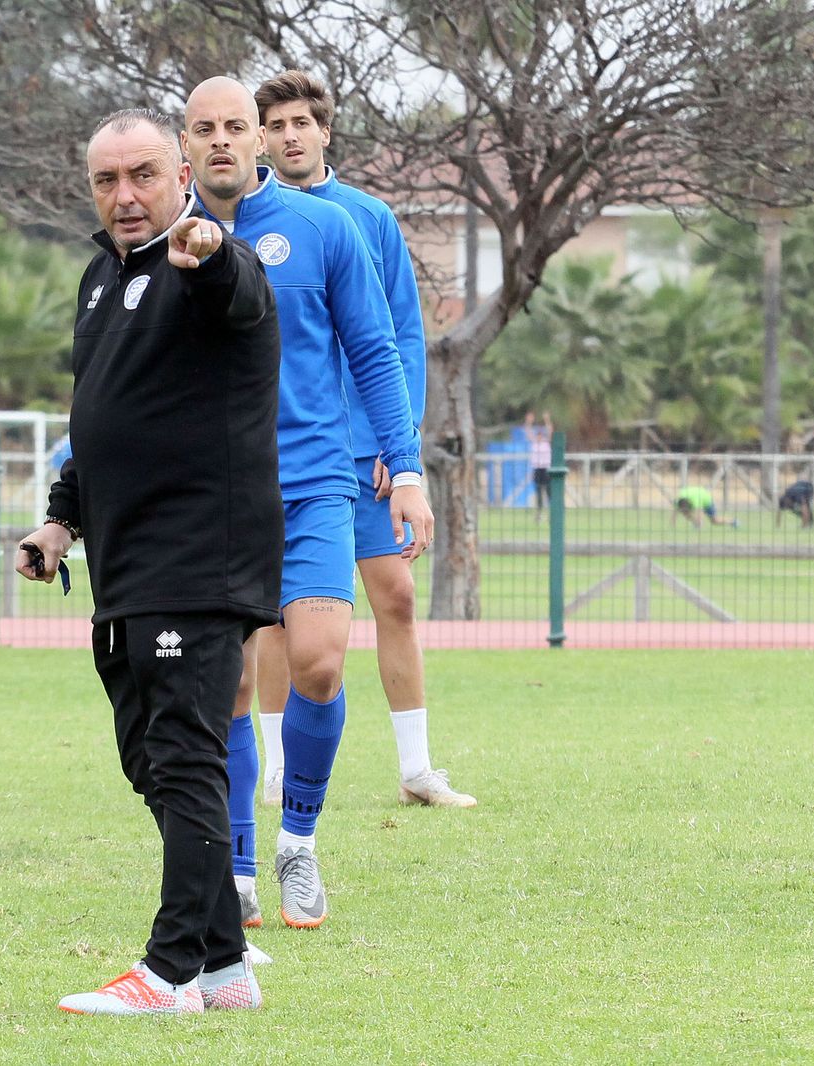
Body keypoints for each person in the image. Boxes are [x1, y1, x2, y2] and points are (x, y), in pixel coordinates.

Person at [17, 107, 281, 1016]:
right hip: (125, 563)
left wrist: (205, 248)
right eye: (106, 180)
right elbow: (101, 416)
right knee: (152, 763)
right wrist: (61, 523)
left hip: (200, 555)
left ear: (179, 174)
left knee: (184, 755)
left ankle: (167, 974)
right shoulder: (100, 277)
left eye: (142, 176)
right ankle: (224, 965)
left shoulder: (211, 261)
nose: (125, 197)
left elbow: (234, 291)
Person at [182, 76, 435, 931]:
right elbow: (118, 377)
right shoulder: (167, 241)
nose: (222, 140)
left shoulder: (325, 228)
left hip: (318, 484)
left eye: (235, 127)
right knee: (231, 688)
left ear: (260, 140)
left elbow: (376, 351)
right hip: (216, 496)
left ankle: (299, 840)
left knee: (320, 662)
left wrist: (406, 467)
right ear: (184, 147)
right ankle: (243, 868)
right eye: (203, 128)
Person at [244, 69, 476, 838]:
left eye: (302, 122)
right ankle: (278, 767)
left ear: (325, 131)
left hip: (366, 455)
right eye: (275, 125)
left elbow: (397, 337)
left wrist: (395, 443)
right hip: (285, 457)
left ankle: (416, 768)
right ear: (261, 137)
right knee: (281, 620)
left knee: (396, 601)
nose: (289, 135)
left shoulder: (366, 219)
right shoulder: (242, 220)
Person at [525, 411, 553, 520]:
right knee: (538, 493)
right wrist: (528, 422)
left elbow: (550, 430)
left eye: (541, 435)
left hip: (546, 469)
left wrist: (547, 420)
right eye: (538, 435)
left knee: (549, 492)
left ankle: (552, 513)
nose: (540, 437)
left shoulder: (546, 443)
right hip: (537, 469)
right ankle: (538, 514)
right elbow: (528, 432)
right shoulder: (534, 443)